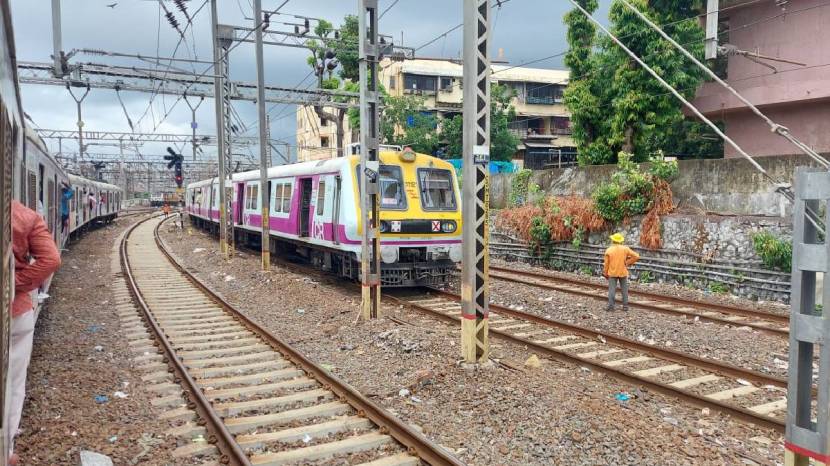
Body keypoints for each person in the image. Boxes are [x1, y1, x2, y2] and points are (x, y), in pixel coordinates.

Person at [8, 200, 61, 463]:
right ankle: (4, 449)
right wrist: (14, 283)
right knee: (12, 385)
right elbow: (51, 259)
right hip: (14, 310)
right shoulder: (23, 215)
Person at [603, 232, 640, 312]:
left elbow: (606, 264)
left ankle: (611, 307)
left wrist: (605, 273)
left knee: (612, 290)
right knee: (624, 290)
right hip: (623, 272)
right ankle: (625, 306)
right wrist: (627, 262)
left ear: (613, 240)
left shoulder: (609, 250)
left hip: (612, 273)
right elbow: (636, 256)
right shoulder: (625, 249)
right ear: (620, 241)